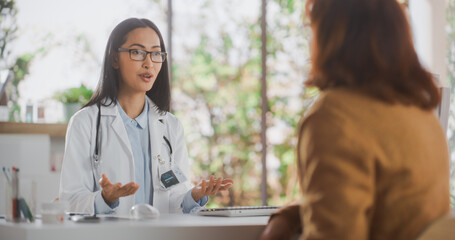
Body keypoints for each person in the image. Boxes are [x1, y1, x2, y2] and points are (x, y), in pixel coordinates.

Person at [260, 0, 450, 239]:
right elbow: (383, 206)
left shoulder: (335, 117)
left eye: (313, 29)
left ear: (330, 36)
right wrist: (290, 217)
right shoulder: (421, 112)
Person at [59, 18, 233, 215]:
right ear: (114, 59)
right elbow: (70, 200)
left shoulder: (171, 126)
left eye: (156, 53)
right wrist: (105, 199)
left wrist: (194, 195)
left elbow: (174, 197)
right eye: (137, 52)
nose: (149, 63)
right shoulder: (85, 123)